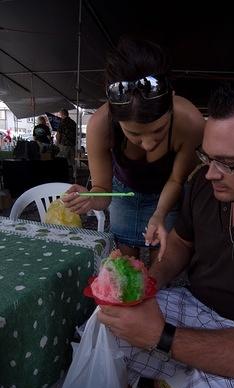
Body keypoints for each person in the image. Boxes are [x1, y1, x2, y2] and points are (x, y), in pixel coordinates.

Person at [97, 79, 234, 388]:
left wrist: (161, 336)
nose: (210, 174)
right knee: (106, 322)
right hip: (196, 306)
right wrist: (147, 281)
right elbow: (180, 243)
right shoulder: (207, 185)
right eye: (207, 157)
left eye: (228, 163)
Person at [63, 37, 205, 262]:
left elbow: (177, 180)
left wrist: (159, 214)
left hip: (167, 192)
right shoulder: (100, 126)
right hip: (123, 192)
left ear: (172, 100)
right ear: (115, 116)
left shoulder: (191, 122)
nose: (148, 144)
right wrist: (90, 198)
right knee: (127, 265)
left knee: (163, 260)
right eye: (135, 134)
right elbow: (103, 189)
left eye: (159, 131)